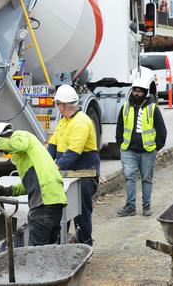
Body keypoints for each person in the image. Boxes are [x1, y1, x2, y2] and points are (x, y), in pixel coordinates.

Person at [0, 122, 67, 246]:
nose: (4, 151)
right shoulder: (29, 156)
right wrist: (8, 191)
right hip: (54, 201)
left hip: (44, 203)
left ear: (3, 137)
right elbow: (31, 184)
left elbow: (17, 144)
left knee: (37, 251)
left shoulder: (21, 136)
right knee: (49, 250)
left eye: (2, 148)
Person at [47, 84, 100, 246]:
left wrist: (55, 168)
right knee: (63, 211)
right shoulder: (64, 121)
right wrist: (47, 163)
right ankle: (62, 244)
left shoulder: (81, 122)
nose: (58, 108)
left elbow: (73, 152)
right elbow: (53, 144)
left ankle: (86, 245)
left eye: (58, 104)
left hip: (84, 174)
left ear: (63, 105)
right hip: (68, 173)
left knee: (81, 212)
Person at [116, 77, 167, 217]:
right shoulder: (125, 106)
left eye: (140, 91)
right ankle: (130, 206)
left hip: (148, 151)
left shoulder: (153, 108)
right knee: (129, 176)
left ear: (145, 92)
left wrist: (156, 147)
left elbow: (162, 131)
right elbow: (120, 127)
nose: (136, 93)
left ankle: (146, 206)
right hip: (128, 150)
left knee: (146, 178)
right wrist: (120, 143)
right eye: (135, 90)